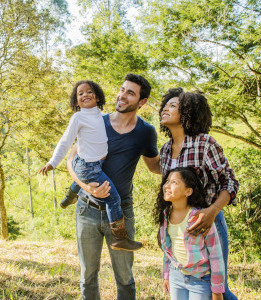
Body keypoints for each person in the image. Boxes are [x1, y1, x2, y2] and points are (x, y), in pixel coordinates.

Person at [66, 74, 160, 300]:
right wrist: (86, 188)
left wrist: (182, 161)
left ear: (142, 102)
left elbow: (155, 167)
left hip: (122, 213)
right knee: (88, 276)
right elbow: (71, 161)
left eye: (131, 93)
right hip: (87, 210)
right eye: (122, 89)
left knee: (125, 278)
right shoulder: (97, 122)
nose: (122, 95)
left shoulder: (146, 132)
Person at [39, 80, 142, 251]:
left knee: (82, 176)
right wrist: (52, 162)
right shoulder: (78, 117)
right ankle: (119, 238)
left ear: (97, 95)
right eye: (80, 93)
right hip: (89, 166)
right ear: (76, 100)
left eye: (89, 91)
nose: (85, 95)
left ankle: (70, 196)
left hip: (91, 163)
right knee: (113, 198)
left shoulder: (100, 116)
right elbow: (65, 141)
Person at [159, 89, 239, 300]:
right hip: (177, 225)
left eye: (173, 105)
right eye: (166, 104)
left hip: (207, 224)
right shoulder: (166, 150)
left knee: (218, 288)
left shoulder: (204, 143)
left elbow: (229, 182)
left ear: (187, 112)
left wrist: (212, 211)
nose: (166, 108)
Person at [155, 167, 225, 300]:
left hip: (200, 279)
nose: (167, 185)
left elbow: (216, 255)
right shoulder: (166, 215)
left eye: (174, 182)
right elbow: (167, 250)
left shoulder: (200, 217)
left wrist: (217, 289)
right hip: (176, 276)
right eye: (167, 181)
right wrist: (166, 275)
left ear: (188, 191)